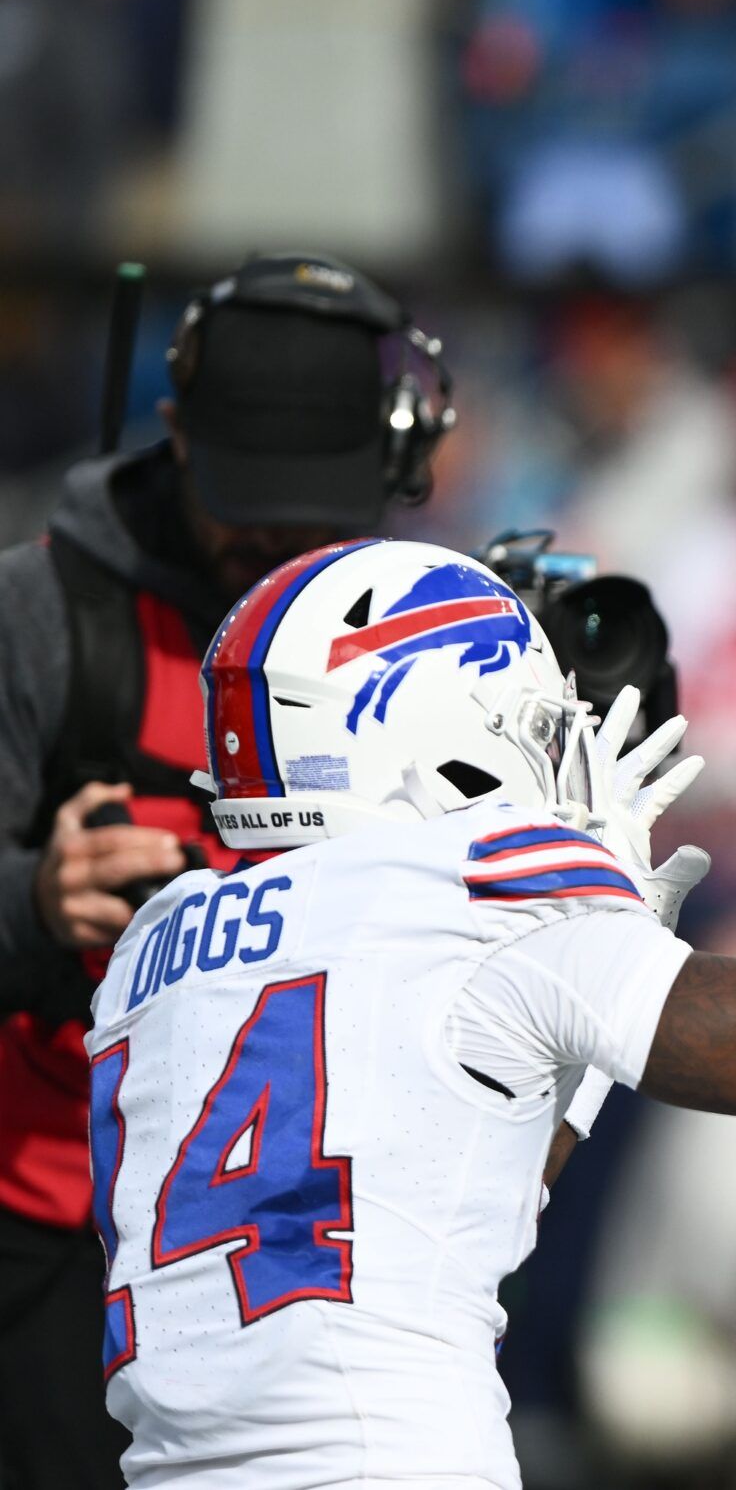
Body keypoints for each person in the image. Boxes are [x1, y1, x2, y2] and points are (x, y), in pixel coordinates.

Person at [82, 537, 736, 1490]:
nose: (556, 750)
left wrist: (581, 986)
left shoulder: (155, 944)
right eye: (535, 723)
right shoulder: (480, 890)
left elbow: (468, 1189)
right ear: (427, 731)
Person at [0, 252, 451, 1490]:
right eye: (250, 510)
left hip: (293, 1245)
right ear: (177, 441)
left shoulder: (421, 630)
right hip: (40, 1219)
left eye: (315, 521)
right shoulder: (43, 618)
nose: (274, 552)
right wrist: (34, 899)